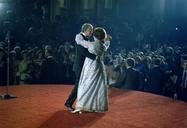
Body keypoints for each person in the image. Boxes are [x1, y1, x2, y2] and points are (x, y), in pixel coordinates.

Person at [72, 27, 111, 114]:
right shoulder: (103, 46)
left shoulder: (91, 44)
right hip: (99, 65)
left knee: (87, 85)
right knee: (98, 85)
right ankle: (96, 106)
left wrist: (79, 35)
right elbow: (107, 45)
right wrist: (107, 40)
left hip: (90, 66)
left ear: (95, 36)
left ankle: (84, 105)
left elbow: (79, 41)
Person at [64, 23, 96, 111]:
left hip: (84, 66)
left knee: (83, 86)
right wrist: (95, 57)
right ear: (85, 30)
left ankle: (82, 104)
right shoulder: (79, 38)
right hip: (80, 66)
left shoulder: (85, 38)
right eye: (90, 30)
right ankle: (68, 103)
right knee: (78, 86)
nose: (92, 32)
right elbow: (83, 52)